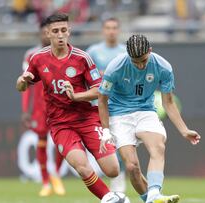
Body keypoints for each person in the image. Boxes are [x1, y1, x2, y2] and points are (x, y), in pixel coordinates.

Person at [16, 12, 120, 200]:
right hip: (60, 123)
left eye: (64, 30)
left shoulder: (82, 58)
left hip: (87, 118)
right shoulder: (37, 59)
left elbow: (100, 90)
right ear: (48, 34)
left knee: (113, 170)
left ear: (69, 31)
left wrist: (76, 95)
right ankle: (109, 198)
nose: (60, 35)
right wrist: (22, 81)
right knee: (81, 166)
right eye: (55, 31)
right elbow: (21, 86)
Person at [98, 34, 201, 203]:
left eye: (143, 60)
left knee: (158, 147)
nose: (140, 65)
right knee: (132, 167)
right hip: (119, 114)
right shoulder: (115, 67)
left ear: (150, 51)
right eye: (135, 61)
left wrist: (184, 130)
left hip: (146, 111)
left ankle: (154, 193)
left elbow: (168, 103)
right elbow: (102, 100)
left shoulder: (163, 67)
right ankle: (149, 199)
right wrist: (106, 130)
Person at [21, 19, 65, 197]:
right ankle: (45, 181)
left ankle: (56, 174)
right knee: (41, 142)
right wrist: (26, 110)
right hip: (40, 107)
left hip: (60, 105)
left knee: (62, 143)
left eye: (52, 31)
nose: (48, 35)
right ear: (41, 34)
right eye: (45, 32)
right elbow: (26, 85)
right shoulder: (31, 55)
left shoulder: (65, 52)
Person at [86, 17, 127, 193]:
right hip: (98, 106)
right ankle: (100, 176)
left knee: (121, 143)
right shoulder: (94, 51)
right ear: (103, 30)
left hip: (119, 105)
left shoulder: (125, 52)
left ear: (118, 30)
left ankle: (119, 180)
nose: (111, 31)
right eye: (108, 27)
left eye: (114, 27)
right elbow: (84, 75)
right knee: (104, 142)